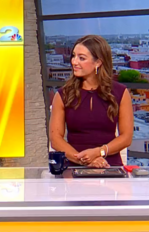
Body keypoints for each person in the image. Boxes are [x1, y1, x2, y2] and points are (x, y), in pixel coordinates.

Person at [49, 35, 134, 168]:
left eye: (81, 58)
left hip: (109, 165)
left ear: (98, 62)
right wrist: (83, 160)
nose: (74, 62)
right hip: (74, 165)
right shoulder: (62, 95)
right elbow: (55, 140)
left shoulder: (120, 93)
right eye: (74, 56)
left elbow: (126, 137)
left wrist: (99, 152)